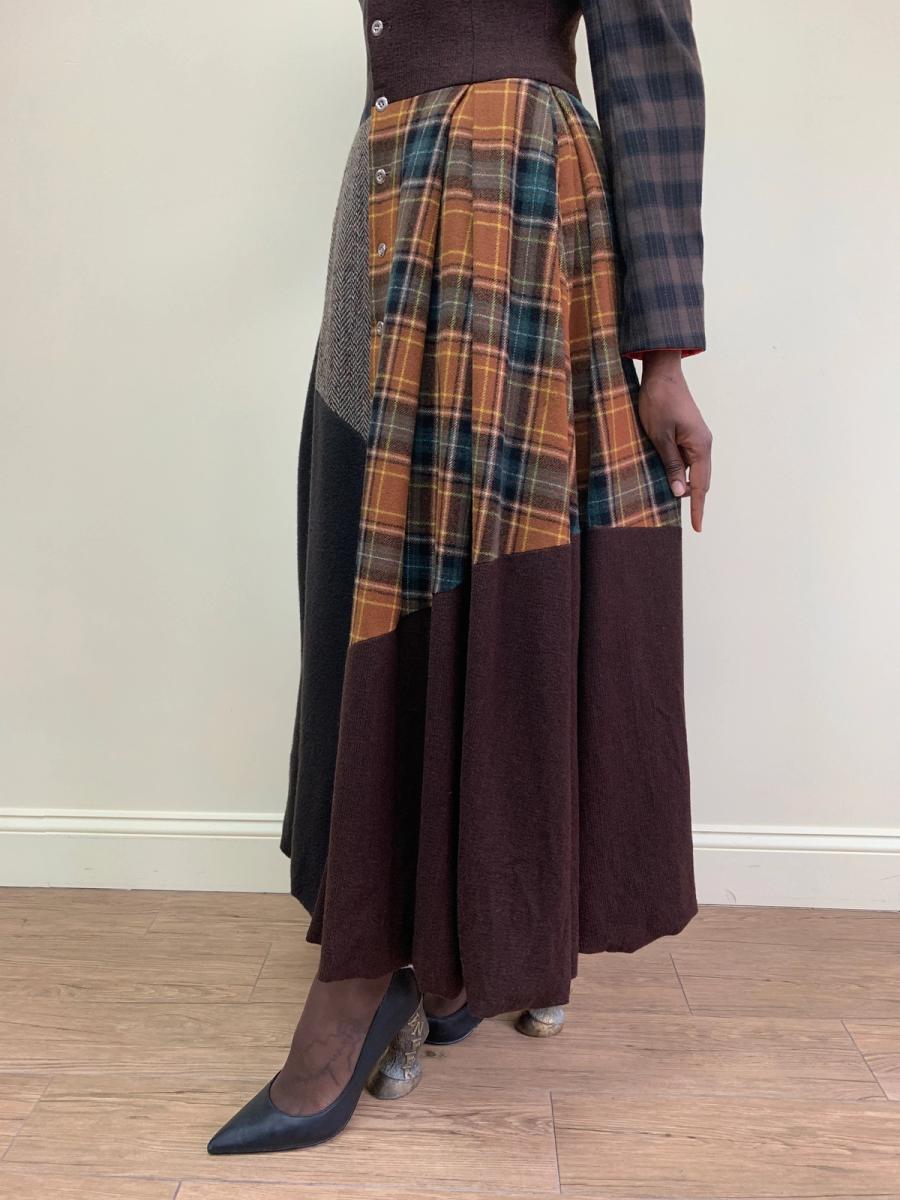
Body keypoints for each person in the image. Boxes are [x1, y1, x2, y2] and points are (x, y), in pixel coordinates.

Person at [208, 0, 712, 1155]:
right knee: (359, 561)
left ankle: (375, 979)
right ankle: (431, 943)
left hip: (505, 194)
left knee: (481, 585)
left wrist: (666, 354)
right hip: (388, 191)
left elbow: (650, 70)